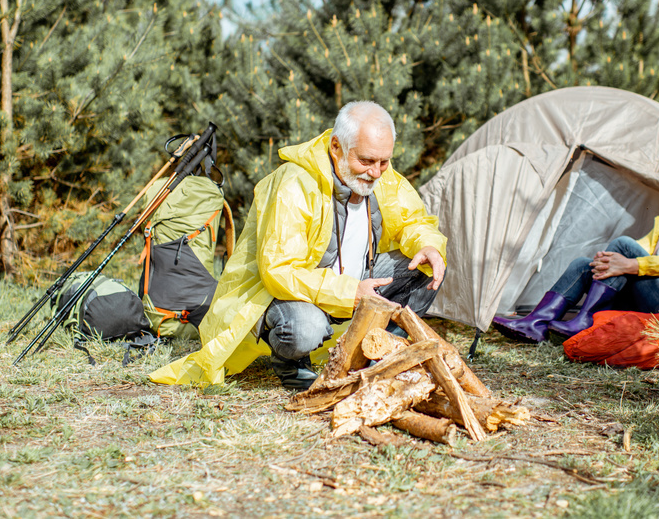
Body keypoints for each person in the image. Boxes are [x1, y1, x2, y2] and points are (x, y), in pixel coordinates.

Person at [150, 101, 447, 389]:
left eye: (384, 161)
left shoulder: (380, 174)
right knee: (305, 330)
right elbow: (278, 272)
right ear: (336, 147)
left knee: (425, 266)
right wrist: (349, 292)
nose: (376, 171)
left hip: (353, 283)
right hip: (290, 294)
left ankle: (378, 353)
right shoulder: (296, 183)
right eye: (367, 161)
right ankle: (290, 362)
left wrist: (429, 245)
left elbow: (413, 220)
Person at [493, 159, 659, 343]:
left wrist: (631, 264)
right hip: (654, 289)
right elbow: (646, 245)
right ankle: (534, 323)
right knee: (583, 264)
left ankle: (585, 320)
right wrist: (611, 261)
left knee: (623, 245)